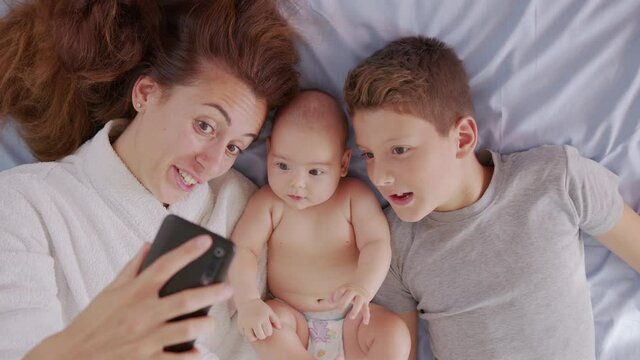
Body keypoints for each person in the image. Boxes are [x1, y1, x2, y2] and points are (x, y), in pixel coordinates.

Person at [0, 0, 298, 359]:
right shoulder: (25, 204)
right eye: (205, 126)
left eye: (235, 147)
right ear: (146, 93)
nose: (212, 163)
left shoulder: (247, 211)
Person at [343, 36, 640, 360]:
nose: (379, 175)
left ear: (463, 138)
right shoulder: (392, 244)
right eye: (368, 154)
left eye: (399, 150)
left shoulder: (556, 180)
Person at [228, 90, 410, 360]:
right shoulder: (267, 202)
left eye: (315, 171)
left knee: (394, 332)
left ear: (343, 163)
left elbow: (376, 243)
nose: (297, 183)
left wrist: (364, 288)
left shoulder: (354, 196)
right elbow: (243, 250)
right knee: (268, 328)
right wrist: (248, 303)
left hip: (352, 320)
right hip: (292, 320)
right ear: (268, 152)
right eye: (283, 165)